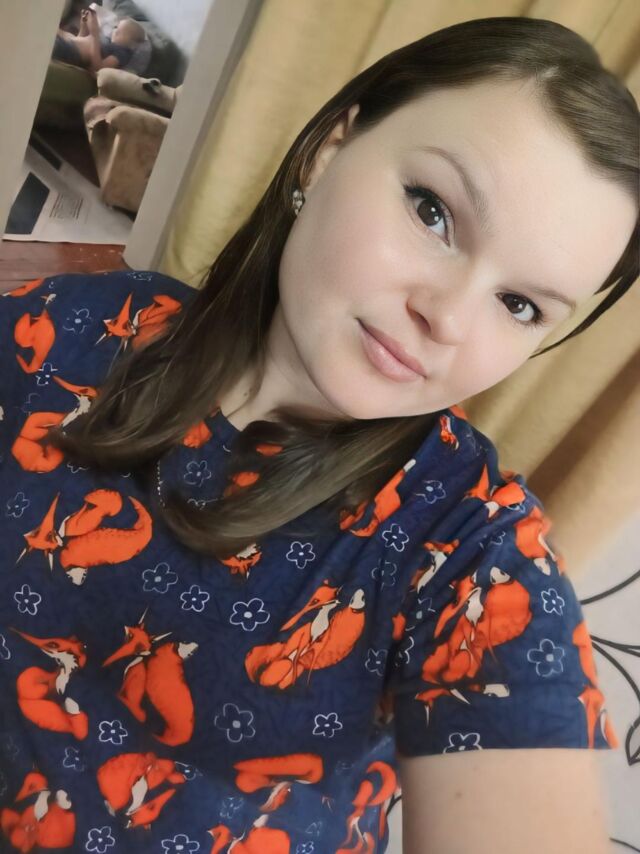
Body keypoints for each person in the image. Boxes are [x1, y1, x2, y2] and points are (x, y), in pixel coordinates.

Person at [1, 15, 637, 854]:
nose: (447, 318)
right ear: (329, 150)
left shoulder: (470, 557)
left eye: (519, 305)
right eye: (433, 212)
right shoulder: (74, 328)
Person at [52, 7, 147, 73]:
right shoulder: (108, 43)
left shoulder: (122, 53)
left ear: (131, 43)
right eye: (116, 27)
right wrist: (84, 25)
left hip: (72, 52)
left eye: (119, 31)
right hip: (71, 43)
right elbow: (80, 39)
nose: (114, 30)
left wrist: (95, 34)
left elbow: (98, 68)